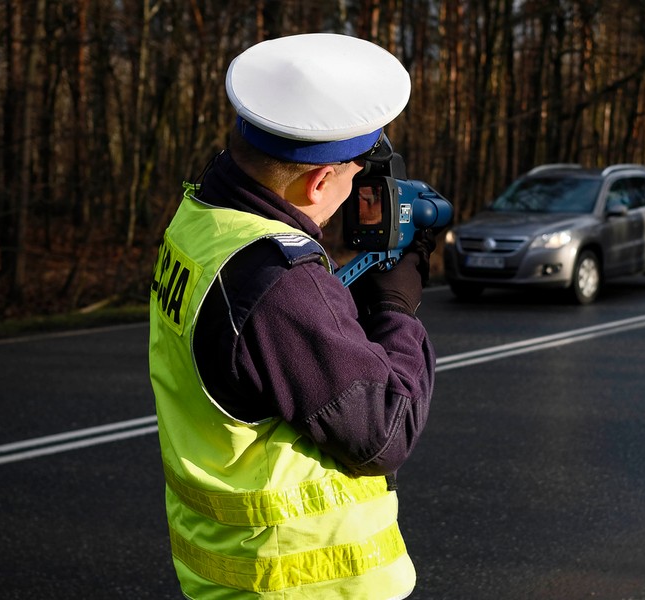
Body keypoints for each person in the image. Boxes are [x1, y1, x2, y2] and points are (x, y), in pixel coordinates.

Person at [148, 33, 434, 599]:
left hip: (235, 570)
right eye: (354, 178)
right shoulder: (278, 280)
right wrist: (396, 307)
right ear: (321, 179)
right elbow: (385, 429)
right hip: (304, 584)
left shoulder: (202, 221)